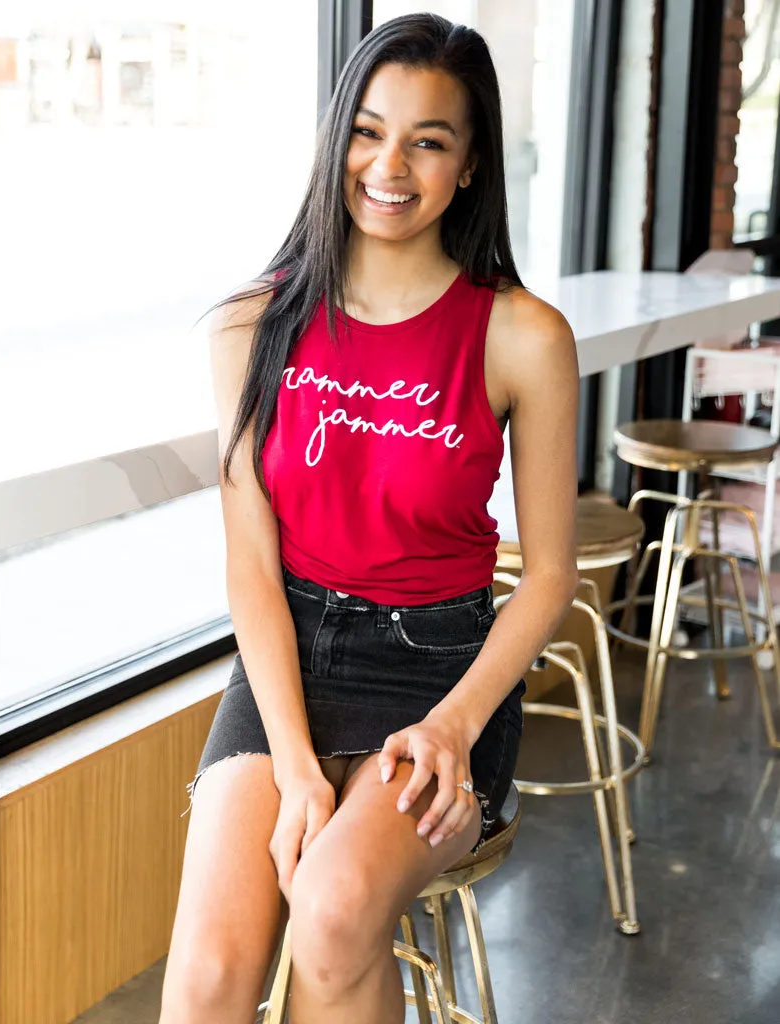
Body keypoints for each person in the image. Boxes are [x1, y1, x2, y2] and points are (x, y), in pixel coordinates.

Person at [159, 12, 579, 1024]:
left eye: (429, 140)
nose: (390, 164)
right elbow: (251, 567)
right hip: (286, 657)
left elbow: (551, 576)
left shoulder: (522, 335)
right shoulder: (251, 326)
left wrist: (454, 722)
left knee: (336, 908)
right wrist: (298, 768)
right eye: (368, 130)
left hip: (440, 668)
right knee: (213, 968)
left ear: (472, 165)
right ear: (336, 135)